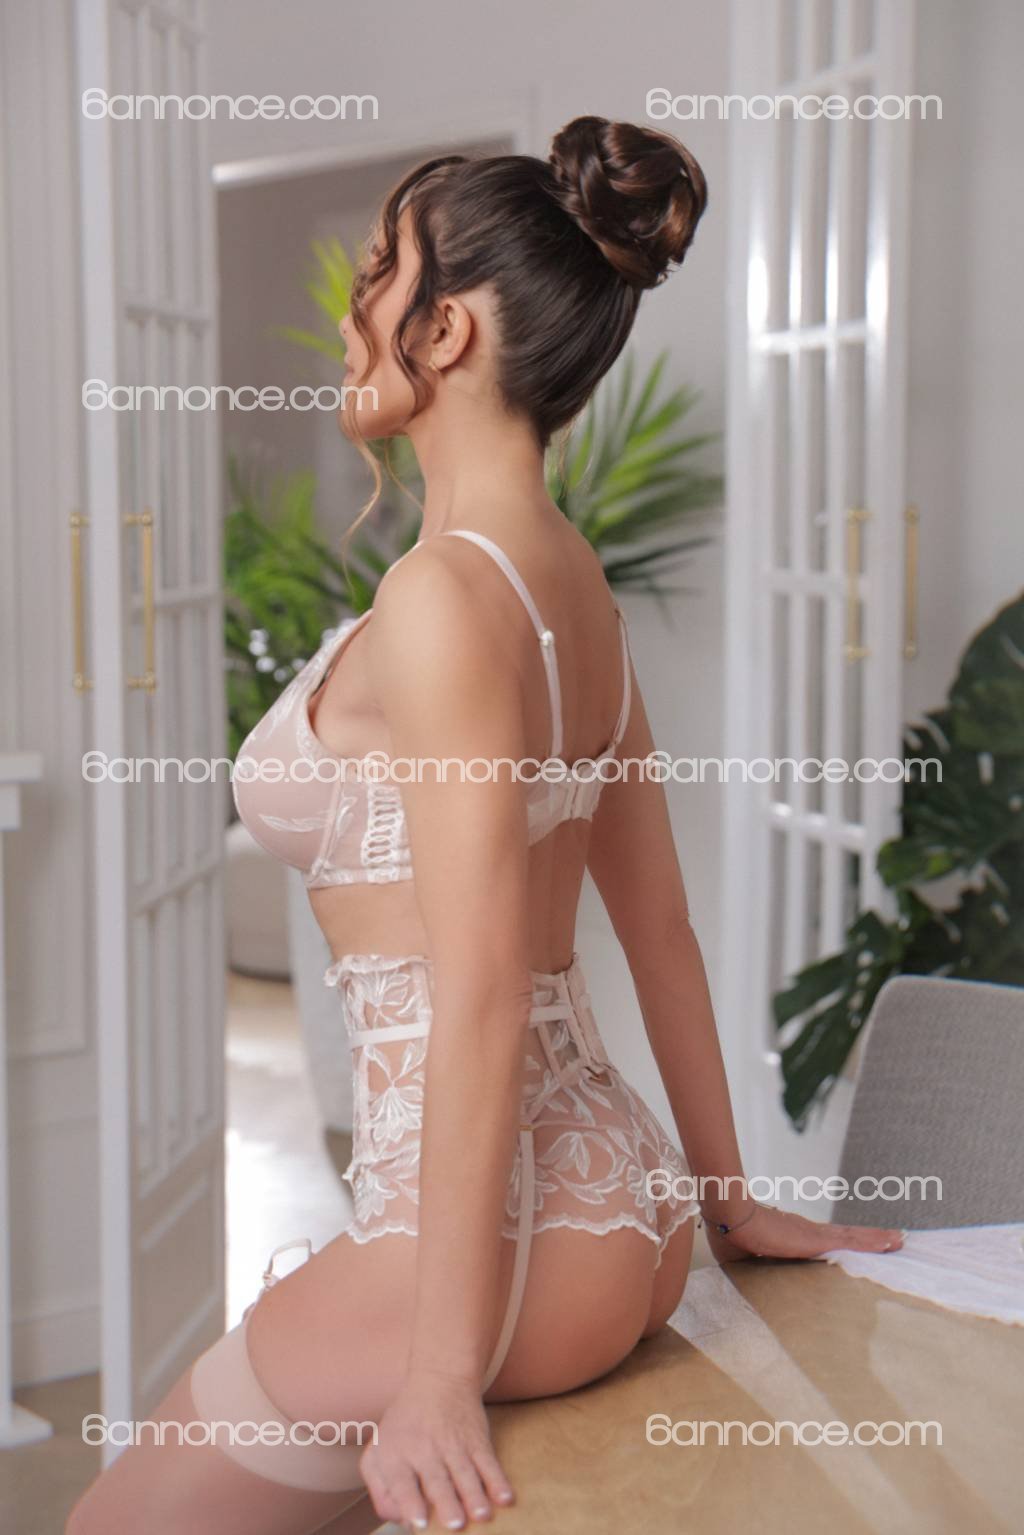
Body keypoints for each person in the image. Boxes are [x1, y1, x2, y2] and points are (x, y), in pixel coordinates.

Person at [67, 115, 902, 1535]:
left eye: (374, 279)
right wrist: (726, 1201)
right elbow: (660, 932)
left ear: (446, 330)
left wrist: (440, 1375)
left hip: (491, 1257)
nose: (349, 318)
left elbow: (485, 990)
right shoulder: (575, 586)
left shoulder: (444, 596)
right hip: (625, 1214)